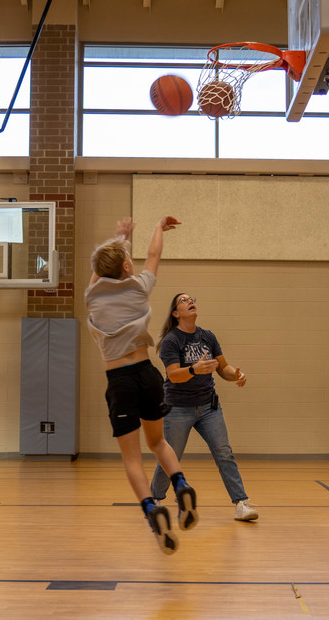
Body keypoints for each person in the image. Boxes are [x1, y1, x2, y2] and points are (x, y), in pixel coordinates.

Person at [85, 215, 198, 555]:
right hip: (148, 373)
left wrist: (118, 238)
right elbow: (153, 257)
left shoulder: (92, 296)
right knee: (158, 442)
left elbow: (100, 272)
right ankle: (181, 485)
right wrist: (157, 229)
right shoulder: (139, 288)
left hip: (119, 381)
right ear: (125, 265)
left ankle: (152, 509)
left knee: (132, 461)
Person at [150, 293, 259, 522]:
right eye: (184, 300)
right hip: (178, 408)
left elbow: (223, 368)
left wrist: (236, 375)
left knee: (224, 452)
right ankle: (155, 500)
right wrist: (194, 370)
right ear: (175, 313)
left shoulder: (207, 336)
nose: (190, 302)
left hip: (208, 407)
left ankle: (241, 503)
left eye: (192, 299)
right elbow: (173, 375)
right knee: (171, 456)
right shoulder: (171, 340)